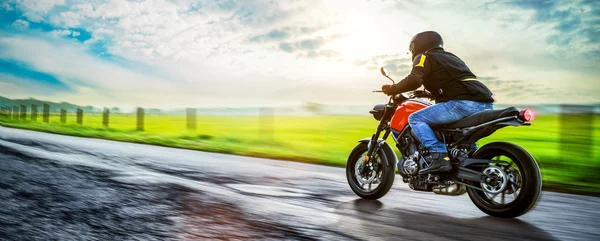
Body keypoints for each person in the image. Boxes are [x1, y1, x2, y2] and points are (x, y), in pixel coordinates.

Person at [381, 31, 494, 175]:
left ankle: (438, 155)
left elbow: (414, 80)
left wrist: (393, 89)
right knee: (459, 136)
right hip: (484, 103)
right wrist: (430, 93)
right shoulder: (451, 57)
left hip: (461, 104)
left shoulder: (424, 56)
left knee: (415, 118)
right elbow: (453, 80)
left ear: (419, 45)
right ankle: (471, 158)